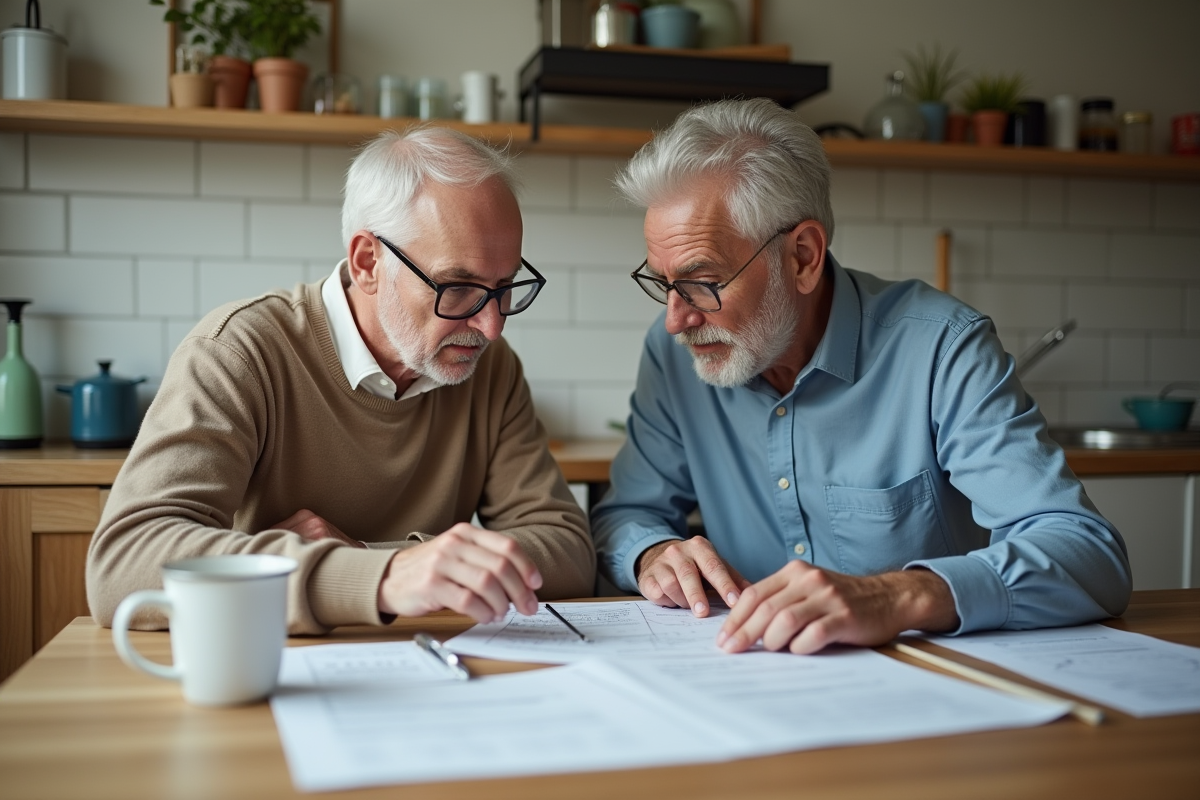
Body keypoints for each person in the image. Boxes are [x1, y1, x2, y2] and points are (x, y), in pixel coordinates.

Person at [591, 98, 1130, 655]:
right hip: (743, 677)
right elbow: (627, 515)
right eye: (662, 283)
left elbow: (1088, 555)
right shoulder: (674, 351)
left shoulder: (941, 347)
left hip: (929, 690)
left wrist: (896, 596)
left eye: (701, 281)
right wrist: (652, 552)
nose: (677, 318)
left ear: (802, 256)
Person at [87, 127, 595, 634]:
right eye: (458, 287)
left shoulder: (492, 369)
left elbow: (569, 548)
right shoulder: (238, 352)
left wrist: (388, 563)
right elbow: (123, 564)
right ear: (367, 262)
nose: (492, 325)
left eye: (506, 288)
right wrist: (384, 578)